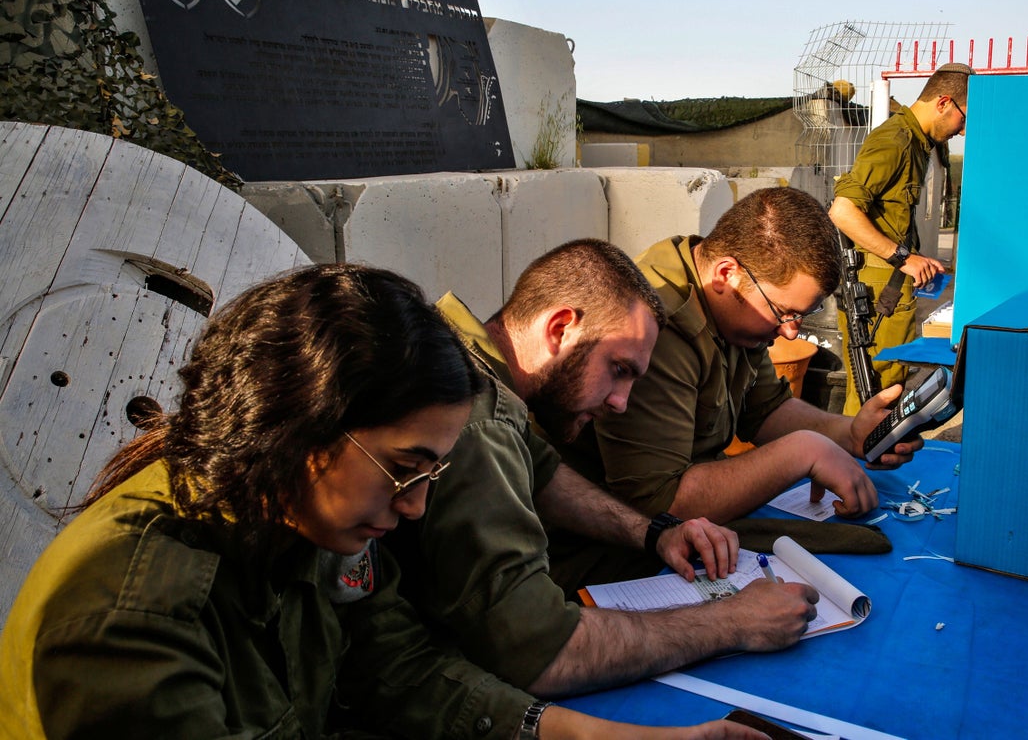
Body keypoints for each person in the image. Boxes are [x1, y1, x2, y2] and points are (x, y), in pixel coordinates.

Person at [0, 263, 769, 740]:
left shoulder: (306, 516)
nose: (417, 505)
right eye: (407, 469)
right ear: (302, 426)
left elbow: (402, 669)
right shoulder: (128, 621)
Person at [386, 239, 819, 700]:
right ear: (559, 328)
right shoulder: (477, 423)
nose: (621, 402)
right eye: (617, 368)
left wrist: (654, 533)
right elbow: (544, 654)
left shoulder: (468, 355)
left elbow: (545, 472)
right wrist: (733, 621)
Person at [562, 188, 922, 528]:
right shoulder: (658, 327)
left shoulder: (735, 309)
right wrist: (802, 453)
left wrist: (849, 434)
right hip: (597, 545)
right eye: (784, 312)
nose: (791, 332)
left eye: (800, 315)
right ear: (726, 274)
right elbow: (660, 505)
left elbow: (764, 408)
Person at [828, 62, 974, 413]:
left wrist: (916, 259)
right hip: (879, 291)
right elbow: (842, 211)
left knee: (884, 386)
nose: (964, 130)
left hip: (889, 285)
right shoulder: (895, 140)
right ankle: (858, 465)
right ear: (943, 102)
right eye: (964, 118)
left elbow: (890, 218)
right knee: (876, 393)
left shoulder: (917, 143)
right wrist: (903, 258)